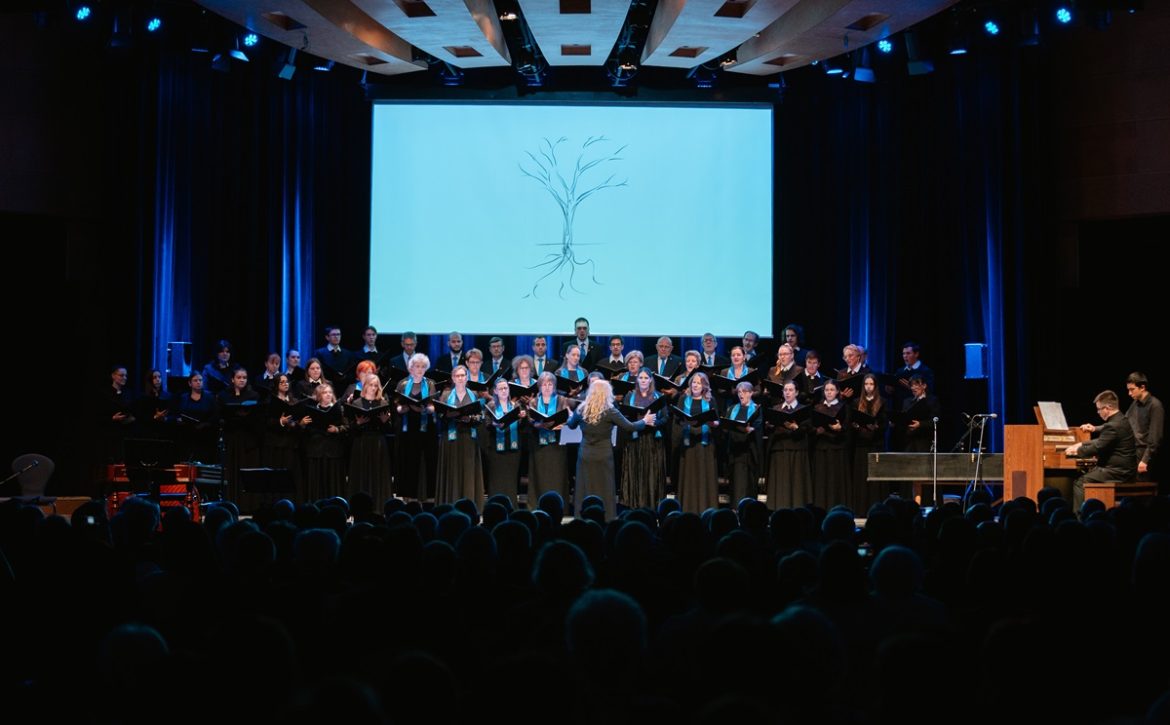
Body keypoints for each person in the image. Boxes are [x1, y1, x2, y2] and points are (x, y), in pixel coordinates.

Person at [566, 379, 654, 520]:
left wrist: (570, 416)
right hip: (604, 455)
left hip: (586, 454)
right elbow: (630, 427)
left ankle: (582, 517)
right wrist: (645, 421)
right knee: (605, 487)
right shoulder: (610, 411)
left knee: (584, 486)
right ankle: (606, 517)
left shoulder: (581, 409)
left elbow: (571, 425)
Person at [1065, 390, 1138, 509]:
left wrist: (1076, 452)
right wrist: (1081, 444)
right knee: (1090, 473)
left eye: (1099, 409)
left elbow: (1098, 447)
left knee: (1080, 482)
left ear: (1108, 407)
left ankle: (1080, 517)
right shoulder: (1121, 420)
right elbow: (1102, 441)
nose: (1098, 412)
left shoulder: (1112, 425)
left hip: (1118, 472)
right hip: (1125, 470)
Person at [618, 367, 668, 510]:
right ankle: (635, 504)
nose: (643, 380)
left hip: (653, 440)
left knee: (652, 472)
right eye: (641, 378)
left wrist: (654, 423)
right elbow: (624, 417)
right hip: (636, 439)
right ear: (637, 380)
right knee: (636, 471)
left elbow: (665, 417)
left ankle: (652, 504)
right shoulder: (630, 396)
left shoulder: (658, 396)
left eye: (646, 378)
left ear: (651, 380)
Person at [434, 365, 484, 505]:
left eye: (463, 375)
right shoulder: (445, 395)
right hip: (451, 438)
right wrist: (448, 415)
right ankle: (451, 502)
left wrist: (471, 419)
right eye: (457, 376)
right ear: (453, 378)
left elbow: (480, 417)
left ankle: (470, 503)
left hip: (468, 437)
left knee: (468, 472)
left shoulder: (474, 394)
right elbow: (439, 415)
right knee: (452, 471)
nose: (460, 378)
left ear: (467, 377)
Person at [672, 371, 720, 513]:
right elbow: (678, 420)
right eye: (694, 382)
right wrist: (685, 421)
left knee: (705, 476)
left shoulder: (710, 400)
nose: (695, 385)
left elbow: (717, 421)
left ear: (704, 385)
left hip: (705, 444)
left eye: (699, 383)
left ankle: (706, 510)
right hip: (689, 443)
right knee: (689, 477)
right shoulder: (683, 399)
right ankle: (688, 509)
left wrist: (712, 423)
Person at [394, 352, 438, 501]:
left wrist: (425, 409)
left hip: (426, 429)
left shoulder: (430, 383)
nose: (419, 369)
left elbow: (434, 406)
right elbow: (397, 406)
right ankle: (409, 495)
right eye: (417, 366)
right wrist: (403, 409)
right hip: (408, 428)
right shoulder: (403, 383)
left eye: (422, 367)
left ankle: (427, 496)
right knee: (409, 462)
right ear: (410, 368)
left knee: (427, 462)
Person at [346, 373, 393, 506]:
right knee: (361, 474)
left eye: (375, 385)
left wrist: (385, 422)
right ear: (365, 386)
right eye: (370, 385)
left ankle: (379, 505)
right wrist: (358, 423)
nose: (373, 388)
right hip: (361, 442)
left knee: (378, 474)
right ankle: (360, 506)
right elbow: (350, 429)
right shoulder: (357, 403)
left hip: (378, 443)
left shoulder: (383, 403)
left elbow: (389, 429)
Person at [764, 380, 812, 509]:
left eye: (791, 390)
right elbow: (770, 429)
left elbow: (807, 428)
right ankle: (778, 507)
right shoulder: (776, 408)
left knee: (796, 482)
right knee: (780, 482)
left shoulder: (803, 409)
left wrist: (795, 428)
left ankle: (797, 508)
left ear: (796, 392)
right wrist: (770, 425)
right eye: (785, 390)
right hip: (779, 449)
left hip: (797, 449)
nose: (787, 393)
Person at [217, 366, 262, 502]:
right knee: (230, 471)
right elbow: (219, 416)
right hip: (231, 438)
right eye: (239, 377)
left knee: (247, 470)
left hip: (247, 439)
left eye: (244, 378)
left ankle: (248, 504)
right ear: (232, 379)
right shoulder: (224, 395)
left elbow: (258, 418)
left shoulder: (253, 395)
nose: (242, 380)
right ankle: (230, 501)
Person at [528, 371, 571, 507]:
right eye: (544, 384)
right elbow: (530, 419)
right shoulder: (534, 401)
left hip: (557, 445)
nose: (547, 387)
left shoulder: (562, 400)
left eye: (550, 384)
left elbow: (569, 418)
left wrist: (562, 424)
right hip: (539, 446)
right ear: (539, 386)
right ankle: (538, 505)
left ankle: (558, 506)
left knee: (557, 476)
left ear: (554, 386)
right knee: (540, 476)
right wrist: (539, 424)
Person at [299, 382, 347, 501]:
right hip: (315, 450)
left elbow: (347, 426)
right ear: (319, 395)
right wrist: (302, 425)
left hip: (333, 450)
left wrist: (337, 429)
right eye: (325, 392)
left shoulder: (339, 409)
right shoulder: (311, 409)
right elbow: (304, 430)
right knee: (316, 481)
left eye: (330, 392)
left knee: (332, 481)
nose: (328, 395)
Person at [483, 376, 526, 506]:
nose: (503, 391)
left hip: (513, 448)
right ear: (495, 391)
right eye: (500, 388)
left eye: (506, 388)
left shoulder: (516, 405)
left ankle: (511, 505)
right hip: (496, 448)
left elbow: (522, 427)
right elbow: (487, 424)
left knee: (511, 479)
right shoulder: (490, 406)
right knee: (497, 479)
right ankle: (495, 506)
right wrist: (494, 425)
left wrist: (522, 418)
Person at [260, 373, 303, 501]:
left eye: (287, 382)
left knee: (290, 473)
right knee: (276, 474)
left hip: (290, 443)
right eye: (282, 382)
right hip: (275, 443)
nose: (285, 384)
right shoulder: (269, 401)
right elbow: (265, 422)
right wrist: (280, 421)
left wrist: (298, 424)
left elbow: (297, 419)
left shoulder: (294, 401)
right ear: (276, 385)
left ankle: (290, 502)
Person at [851, 373, 889, 513]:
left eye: (871, 384)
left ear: (875, 386)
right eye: (866, 384)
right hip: (861, 444)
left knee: (876, 479)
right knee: (862, 477)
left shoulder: (882, 402)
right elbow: (853, 422)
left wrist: (876, 428)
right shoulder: (856, 402)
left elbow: (884, 424)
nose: (868, 387)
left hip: (876, 444)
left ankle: (877, 509)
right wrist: (859, 428)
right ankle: (861, 509)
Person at [812, 379, 850, 510]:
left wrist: (840, 428)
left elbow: (848, 428)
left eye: (832, 390)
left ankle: (837, 507)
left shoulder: (843, 406)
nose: (829, 392)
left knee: (835, 480)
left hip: (837, 448)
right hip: (821, 448)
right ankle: (821, 508)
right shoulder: (817, 407)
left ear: (838, 391)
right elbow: (811, 427)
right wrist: (817, 431)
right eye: (827, 390)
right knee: (822, 480)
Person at [723, 381, 762, 509]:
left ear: (751, 393)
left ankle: (749, 511)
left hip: (749, 452)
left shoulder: (756, 409)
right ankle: (735, 510)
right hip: (735, 452)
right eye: (739, 392)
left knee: (748, 485)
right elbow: (726, 428)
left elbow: (757, 428)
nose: (741, 394)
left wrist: (748, 431)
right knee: (736, 485)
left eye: (744, 392)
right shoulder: (732, 409)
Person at [1125, 372, 1163, 490]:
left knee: (1141, 491)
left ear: (1142, 387)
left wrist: (1145, 460)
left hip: (1144, 455)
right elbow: (1123, 422)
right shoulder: (1135, 404)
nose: (1129, 393)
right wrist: (1097, 428)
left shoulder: (1155, 405)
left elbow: (1155, 436)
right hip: (1133, 452)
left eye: (1132, 389)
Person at [172, 371, 216, 463]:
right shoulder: (183, 398)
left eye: (200, 380)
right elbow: (178, 413)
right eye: (195, 380)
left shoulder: (210, 398)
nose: (198, 382)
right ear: (190, 383)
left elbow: (214, 416)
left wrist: (204, 424)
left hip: (204, 436)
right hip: (186, 434)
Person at [135, 369, 171, 440]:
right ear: (149, 379)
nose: (158, 379)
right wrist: (155, 417)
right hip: (148, 431)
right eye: (155, 377)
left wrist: (165, 417)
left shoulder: (167, 396)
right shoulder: (143, 397)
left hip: (164, 431)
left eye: (159, 377)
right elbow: (140, 415)